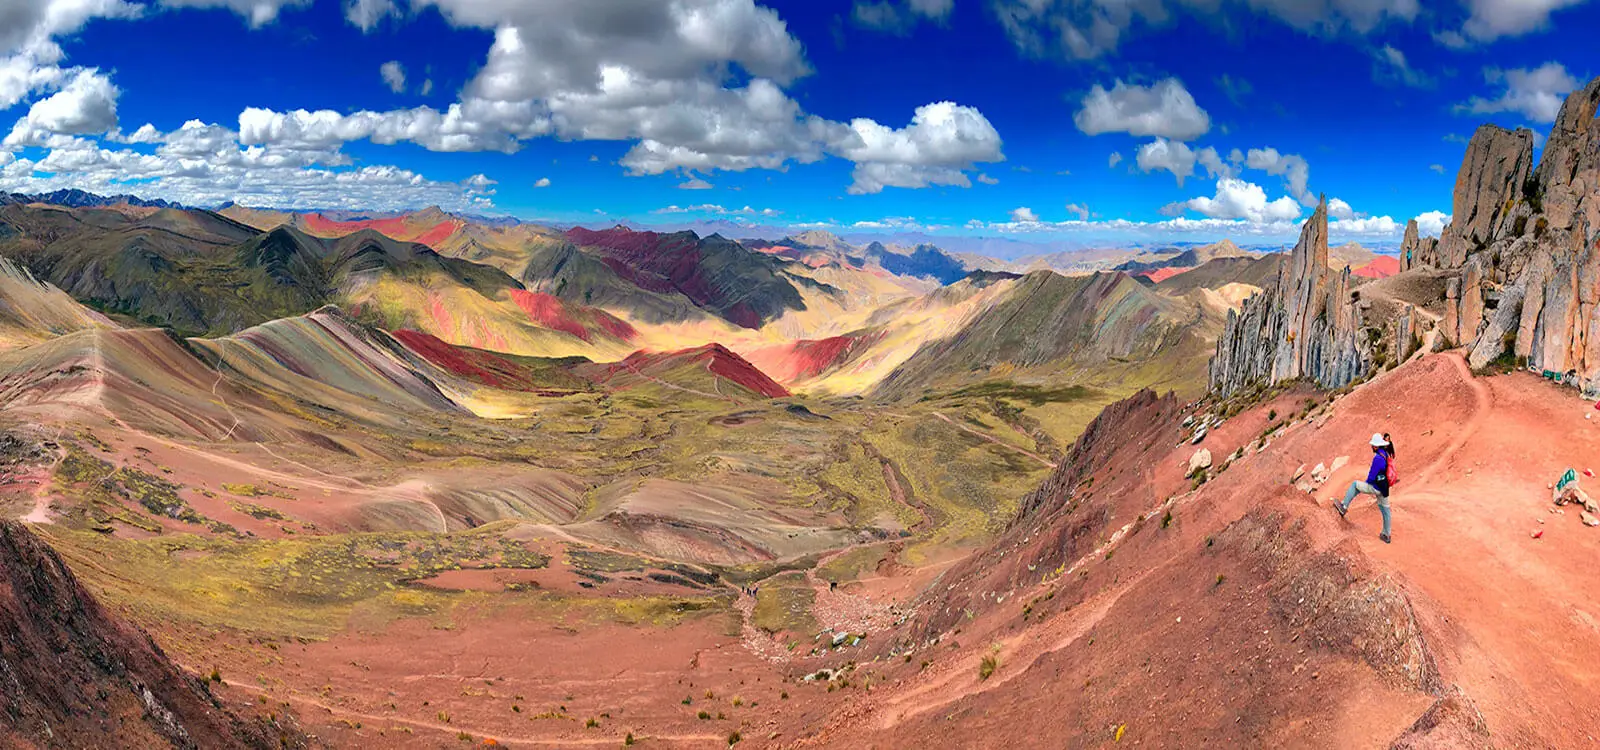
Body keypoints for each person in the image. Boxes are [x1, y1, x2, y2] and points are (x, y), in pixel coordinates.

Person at [1336, 433, 1393, 543]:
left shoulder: (1377, 458)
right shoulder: (1385, 454)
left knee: (1355, 485)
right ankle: (1386, 535)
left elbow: (1372, 476)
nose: (1372, 447)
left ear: (1376, 446)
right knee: (1385, 510)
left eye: (1373, 445)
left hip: (1376, 487)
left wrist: (1366, 484)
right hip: (1384, 487)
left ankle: (1343, 506)